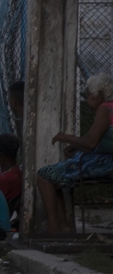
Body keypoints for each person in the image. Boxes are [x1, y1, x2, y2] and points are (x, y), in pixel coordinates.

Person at [36, 73, 113, 233]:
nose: (87, 99)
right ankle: (64, 226)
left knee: (43, 175)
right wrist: (77, 146)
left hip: (101, 164)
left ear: (100, 95)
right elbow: (102, 140)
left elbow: (91, 143)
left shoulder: (105, 109)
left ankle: (55, 228)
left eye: (89, 95)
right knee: (56, 177)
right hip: (106, 160)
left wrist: (65, 137)